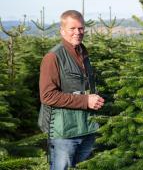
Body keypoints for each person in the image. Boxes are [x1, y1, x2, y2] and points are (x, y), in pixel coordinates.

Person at [38, 10, 105, 170]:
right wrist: (86, 101)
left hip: (87, 127)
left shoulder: (83, 52)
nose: (78, 32)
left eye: (81, 28)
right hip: (64, 132)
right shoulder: (53, 57)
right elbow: (47, 96)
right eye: (72, 28)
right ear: (62, 30)